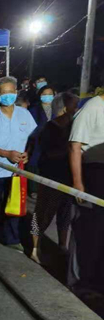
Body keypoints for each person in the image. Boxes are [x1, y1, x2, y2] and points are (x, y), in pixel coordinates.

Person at [0, 75, 38, 251]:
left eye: (10, 92)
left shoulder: (24, 114)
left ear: (16, 92)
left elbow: (33, 138)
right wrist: (5, 153)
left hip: (17, 171)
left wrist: (28, 153)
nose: (8, 95)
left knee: (14, 204)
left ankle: (12, 239)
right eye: (4, 93)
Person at [30, 92, 80, 264]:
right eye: (75, 105)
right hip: (51, 177)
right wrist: (70, 149)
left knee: (65, 215)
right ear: (65, 108)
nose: (77, 109)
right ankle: (35, 247)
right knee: (42, 214)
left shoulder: (74, 126)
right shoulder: (50, 128)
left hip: (68, 177)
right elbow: (48, 153)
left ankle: (62, 246)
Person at [69, 86, 104, 291]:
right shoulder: (92, 108)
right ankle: (80, 281)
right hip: (92, 175)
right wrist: (78, 183)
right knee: (87, 230)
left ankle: (97, 280)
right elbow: (75, 147)